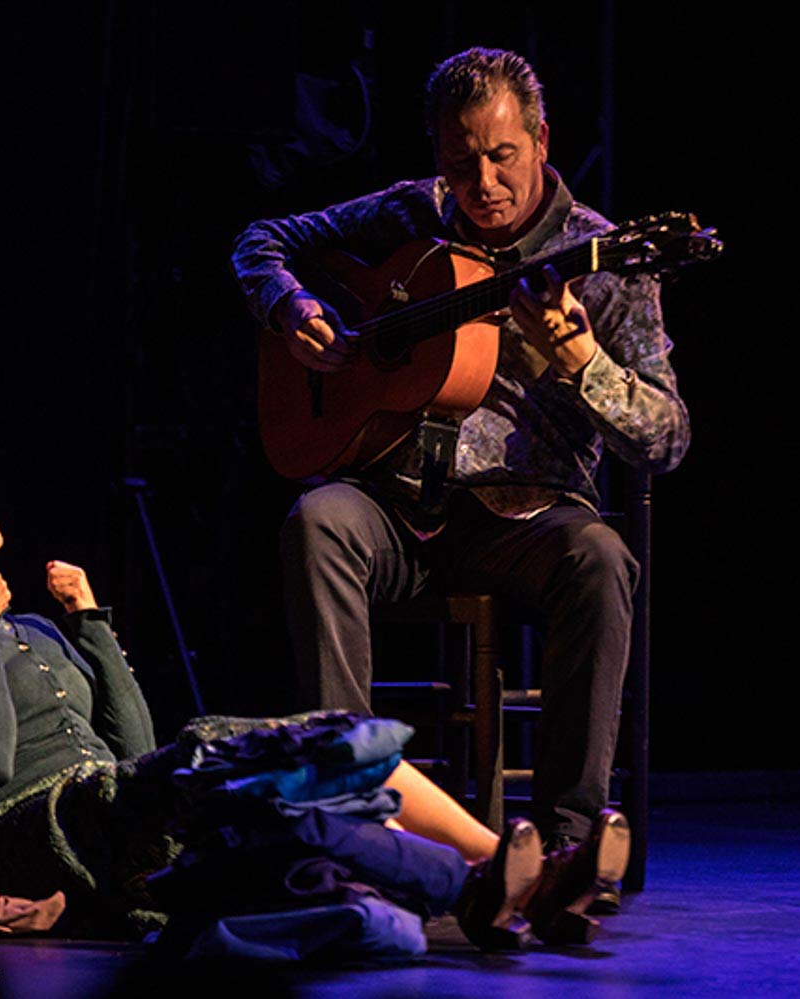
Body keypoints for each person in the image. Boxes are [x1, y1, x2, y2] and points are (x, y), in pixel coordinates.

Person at [0, 454, 629, 950]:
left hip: (120, 800)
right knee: (275, 760)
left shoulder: (30, 625)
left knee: (326, 750)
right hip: (46, 836)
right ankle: (511, 877)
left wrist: (91, 623)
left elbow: (130, 743)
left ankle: (518, 873)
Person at [232, 47, 690, 905]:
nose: (480, 180)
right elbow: (260, 240)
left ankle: (566, 849)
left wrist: (582, 360)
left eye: (501, 154)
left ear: (541, 139)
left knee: (600, 559)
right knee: (317, 519)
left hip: (528, 518)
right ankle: (350, 816)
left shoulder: (608, 257)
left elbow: (666, 440)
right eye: (459, 160)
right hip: (396, 504)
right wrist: (290, 305)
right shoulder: (413, 210)